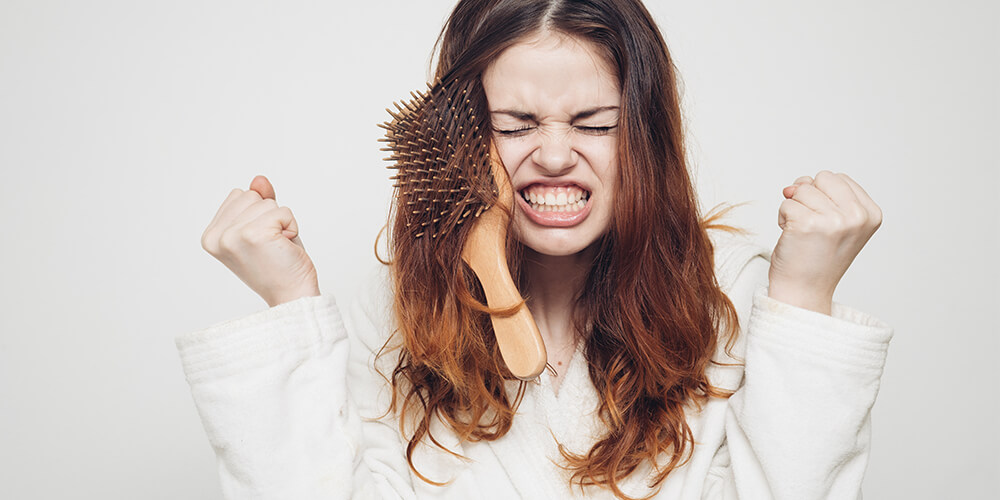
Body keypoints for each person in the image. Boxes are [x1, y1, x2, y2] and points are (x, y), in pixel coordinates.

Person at [178, 0, 893, 498]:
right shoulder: (392, 325)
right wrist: (288, 308)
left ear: (642, 137)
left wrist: (803, 302)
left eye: (595, 123)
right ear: (462, 138)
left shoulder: (729, 305)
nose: (554, 155)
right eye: (516, 124)